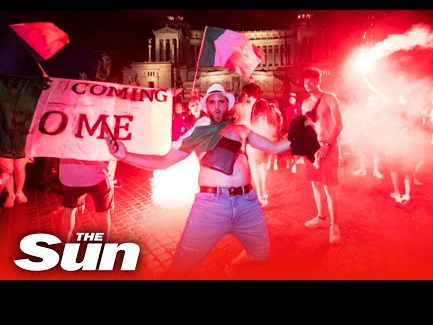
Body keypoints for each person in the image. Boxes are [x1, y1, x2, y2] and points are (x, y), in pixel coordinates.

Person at [105, 83, 293, 277]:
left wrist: (306, 133)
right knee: (181, 268)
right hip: (211, 207)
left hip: (248, 203)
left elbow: (275, 147)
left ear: (227, 105)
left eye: (221, 101)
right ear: (206, 106)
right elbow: (164, 161)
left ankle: (233, 268)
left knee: (260, 255)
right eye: (212, 102)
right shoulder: (199, 132)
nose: (217, 106)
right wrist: (124, 155)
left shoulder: (242, 130)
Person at [301, 67, 343, 245]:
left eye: (311, 80)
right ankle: (321, 217)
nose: (308, 84)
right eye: (305, 81)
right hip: (312, 149)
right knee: (316, 185)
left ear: (318, 81)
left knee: (329, 187)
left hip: (329, 147)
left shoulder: (329, 98)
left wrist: (328, 145)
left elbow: (339, 124)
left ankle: (335, 226)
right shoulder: (304, 103)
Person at [58, 159, 115, 242]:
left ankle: (64, 245)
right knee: (104, 213)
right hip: (98, 173)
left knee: (68, 210)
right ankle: (104, 245)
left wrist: (32, 152)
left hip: (72, 174)